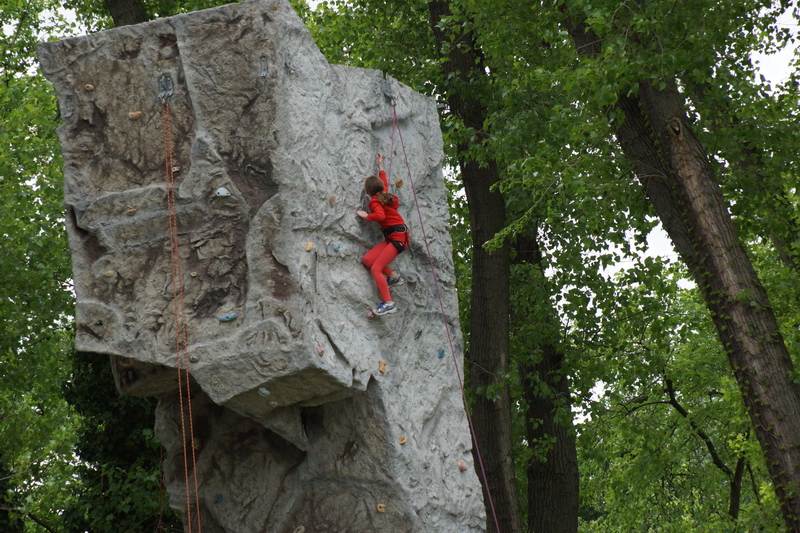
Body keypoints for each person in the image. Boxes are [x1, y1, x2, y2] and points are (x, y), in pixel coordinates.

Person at [357, 153, 409, 315]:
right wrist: (380, 166)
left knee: (376, 269)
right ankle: (393, 277)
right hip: (394, 237)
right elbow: (384, 180)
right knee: (368, 260)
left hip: (398, 238)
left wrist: (366, 216)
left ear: (367, 191)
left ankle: (388, 303)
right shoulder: (383, 193)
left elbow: (380, 216)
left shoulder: (374, 201)